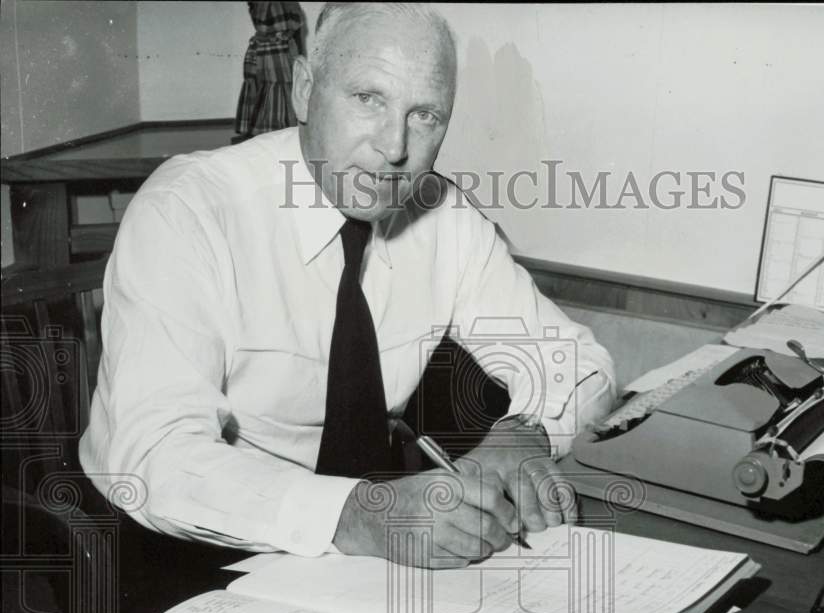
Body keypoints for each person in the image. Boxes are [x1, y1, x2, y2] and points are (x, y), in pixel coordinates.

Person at [80, 2, 615, 569]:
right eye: (368, 99)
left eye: (425, 115)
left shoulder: (444, 219)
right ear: (305, 89)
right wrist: (356, 514)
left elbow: (579, 362)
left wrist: (523, 435)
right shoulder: (189, 210)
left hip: (356, 556)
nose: (394, 148)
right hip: (185, 544)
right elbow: (155, 458)